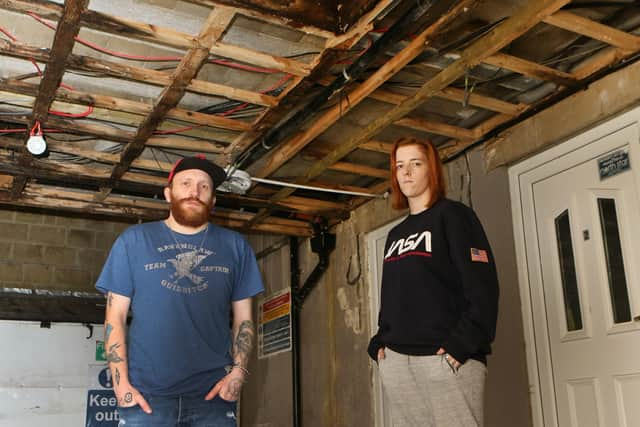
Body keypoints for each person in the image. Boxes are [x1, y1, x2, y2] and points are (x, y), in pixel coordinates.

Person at [96, 155, 264, 426]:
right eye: (185, 183)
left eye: (204, 187)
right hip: (147, 397)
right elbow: (114, 317)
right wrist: (121, 384)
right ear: (168, 193)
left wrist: (238, 373)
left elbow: (244, 319)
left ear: (213, 200)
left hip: (214, 396)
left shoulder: (236, 247)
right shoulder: (134, 241)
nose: (194, 192)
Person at [367, 137, 499, 427]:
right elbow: (394, 295)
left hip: (444, 357)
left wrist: (461, 345)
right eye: (400, 166)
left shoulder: (454, 216)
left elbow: (483, 286)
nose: (406, 172)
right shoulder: (395, 235)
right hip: (398, 360)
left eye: (416, 163)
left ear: (432, 170)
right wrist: (380, 341)